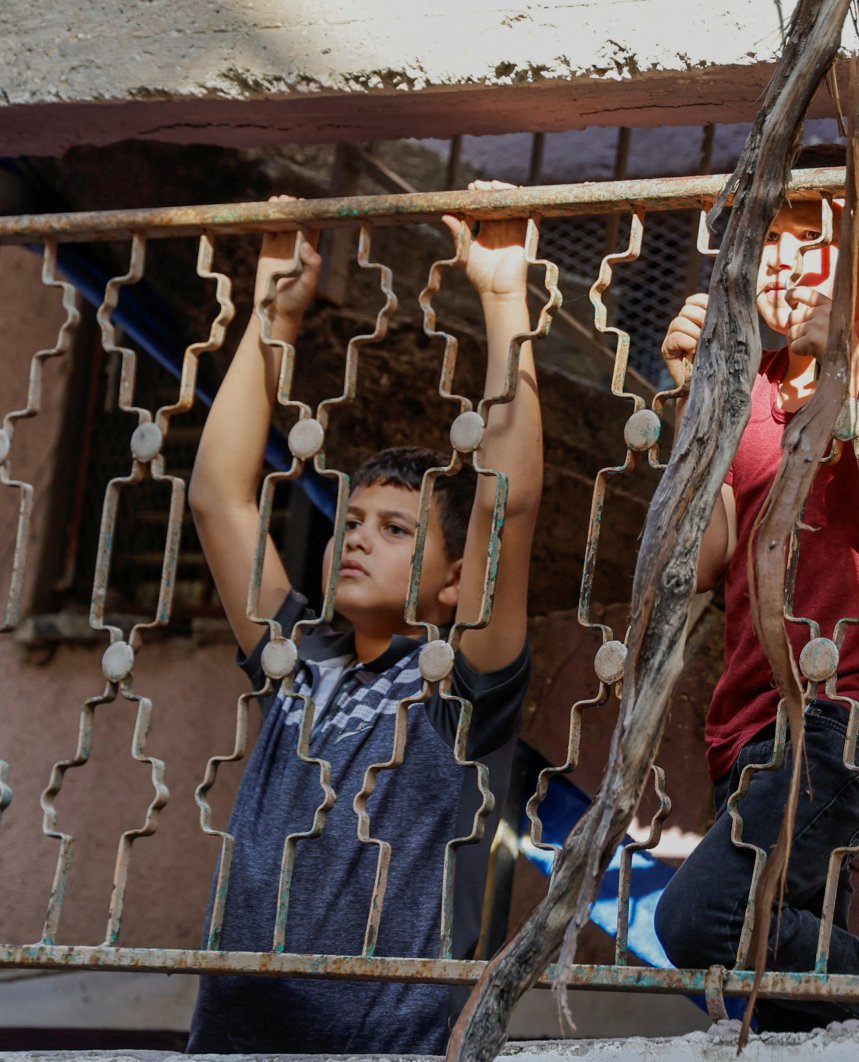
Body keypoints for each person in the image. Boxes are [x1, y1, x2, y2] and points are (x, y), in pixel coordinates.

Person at [185, 183, 543, 1054]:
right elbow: (219, 502)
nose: (356, 542)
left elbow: (508, 504)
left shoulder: (461, 680)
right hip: (235, 1034)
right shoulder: (297, 655)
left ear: (455, 582)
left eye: (393, 531)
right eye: (350, 524)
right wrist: (272, 314)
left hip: (379, 1044)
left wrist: (502, 298)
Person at [650, 143, 859, 1034]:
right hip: (751, 724)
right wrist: (693, 405)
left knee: (702, 919)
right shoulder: (747, 391)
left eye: (812, 236)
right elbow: (705, 559)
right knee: (776, 985)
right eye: (765, 236)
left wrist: (853, 380)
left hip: (858, 716)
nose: (782, 259)